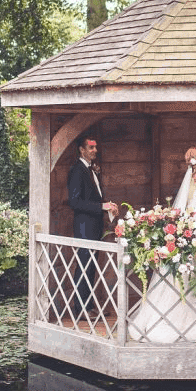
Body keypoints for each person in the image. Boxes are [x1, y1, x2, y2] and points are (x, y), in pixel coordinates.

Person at [128, 145, 196, 342]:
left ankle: (162, 319)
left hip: (187, 236)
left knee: (178, 282)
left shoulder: (192, 183)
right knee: (191, 283)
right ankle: (188, 325)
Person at [66, 134, 118, 316]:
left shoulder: (92, 169)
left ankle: (88, 307)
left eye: (95, 147)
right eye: (91, 148)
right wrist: (101, 206)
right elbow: (74, 202)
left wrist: (107, 208)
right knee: (84, 265)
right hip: (83, 226)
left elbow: (94, 197)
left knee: (92, 266)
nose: (95, 150)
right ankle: (80, 309)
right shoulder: (77, 170)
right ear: (82, 150)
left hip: (95, 225)